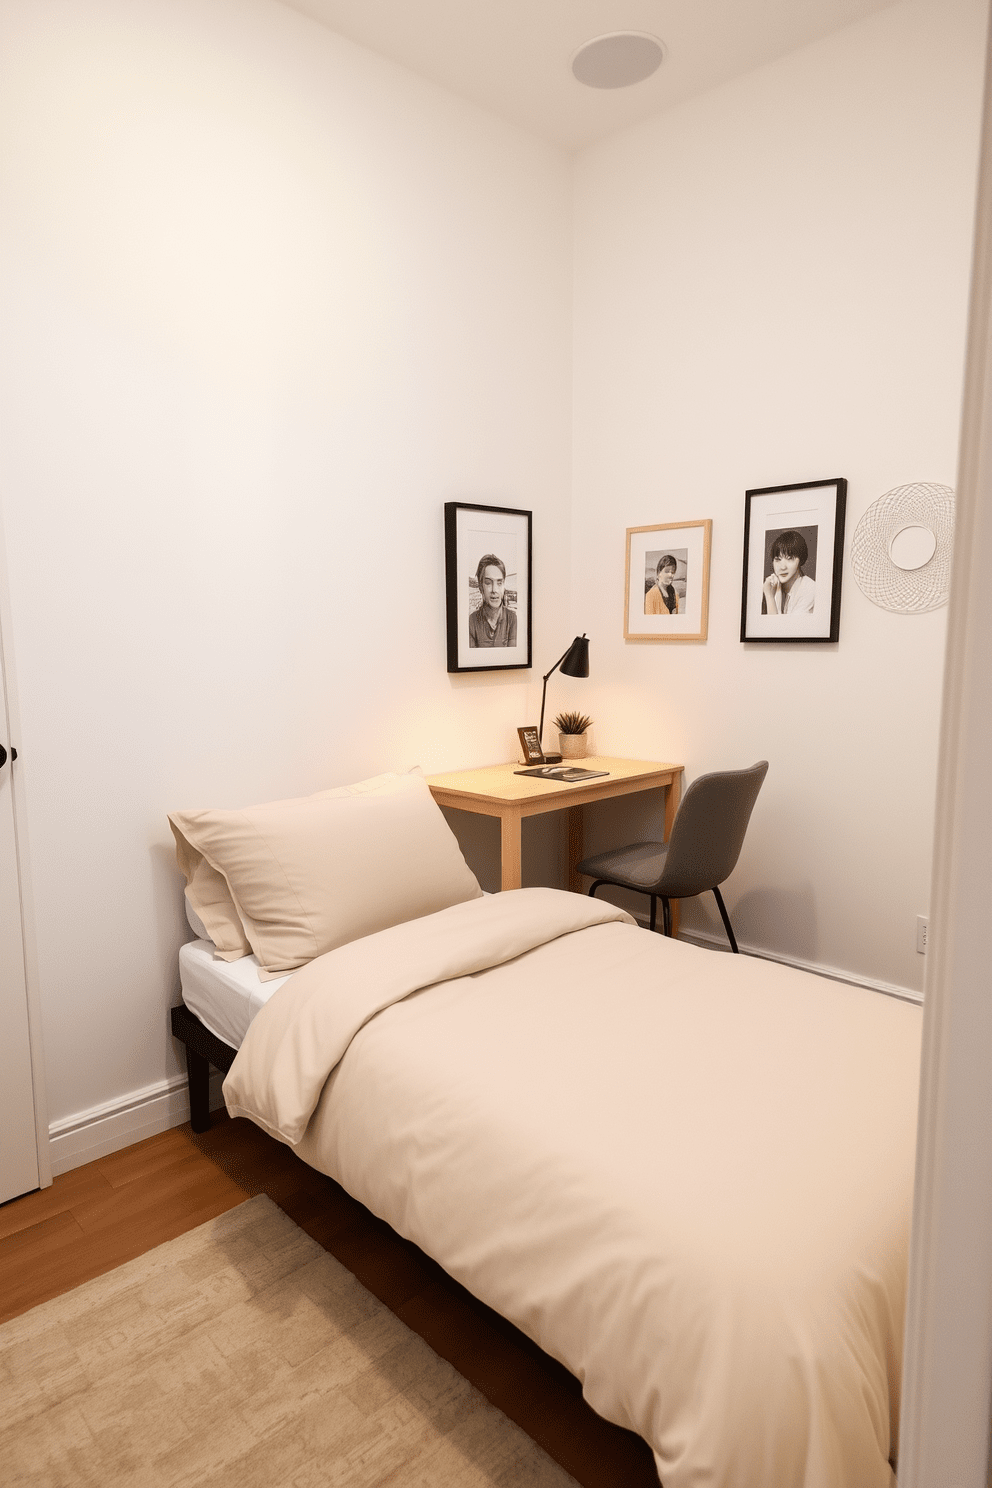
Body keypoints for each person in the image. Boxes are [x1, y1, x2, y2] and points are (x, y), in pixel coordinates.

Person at [468, 553, 518, 647]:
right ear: (480, 587)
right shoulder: (471, 622)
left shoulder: (512, 619)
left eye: (499, 583)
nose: (494, 590)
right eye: (488, 583)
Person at [762, 530, 816, 615]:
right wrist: (769, 595)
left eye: (790, 558)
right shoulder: (774, 586)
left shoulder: (810, 588)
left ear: (800, 560)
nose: (783, 567)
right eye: (778, 559)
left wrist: (769, 597)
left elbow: (781, 627)